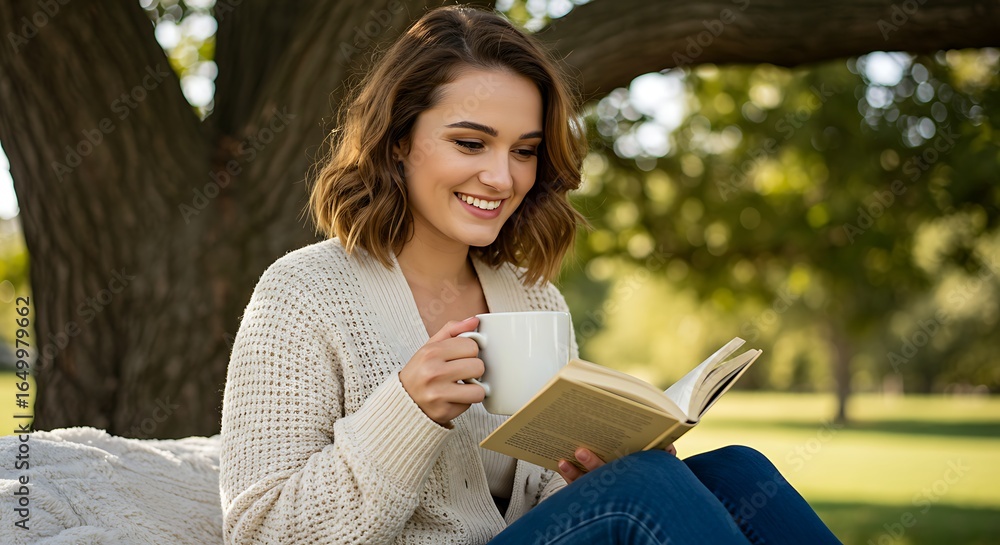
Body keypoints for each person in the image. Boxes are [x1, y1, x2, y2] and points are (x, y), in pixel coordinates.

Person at [219, 5, 841, 544]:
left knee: (737, 470)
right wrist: (407, 410)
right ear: (399, 140)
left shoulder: (534, 298)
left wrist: (595, 473)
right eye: (470, 143)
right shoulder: (302, 294)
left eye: (524, 150)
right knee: (648, 487)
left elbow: (536, 504)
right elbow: (261, 531)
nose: (503, 177)